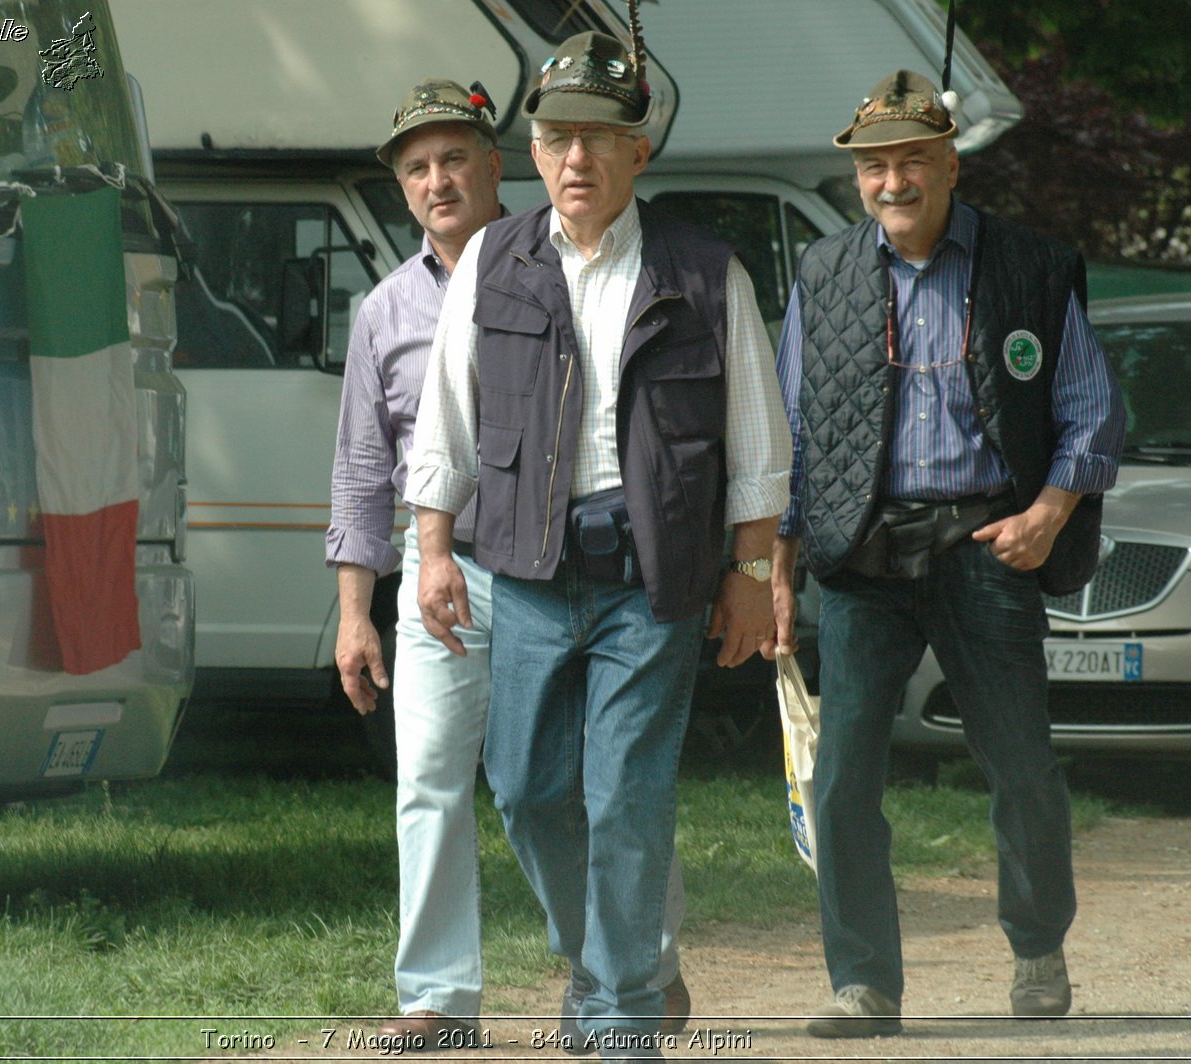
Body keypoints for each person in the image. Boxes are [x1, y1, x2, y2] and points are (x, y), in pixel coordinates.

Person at [405, 28, 790, 1062]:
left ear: (639, 153)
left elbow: (757, 444)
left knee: (624, 790)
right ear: (532, 149)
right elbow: (445, 416)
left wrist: (753, 573)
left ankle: (620, 1020)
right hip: (525, 573)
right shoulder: (494, 257)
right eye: (557, 137)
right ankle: (609, 968)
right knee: (527, 790)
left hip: (650, 577)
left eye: (599, 139)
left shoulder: (707, 272)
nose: (575, 159)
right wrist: (433, 545)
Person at [326, 77, 688, 1052]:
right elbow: (365, 466)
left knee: (604, 773)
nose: (437, 181)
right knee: (434, 777)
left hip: (570, 564)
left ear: (500, 163)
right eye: (416, 168)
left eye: (454, 159)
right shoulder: (385, 310)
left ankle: (640, 961)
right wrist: (358, 608)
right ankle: (441, 994)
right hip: (441, 574)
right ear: (400, 188)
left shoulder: (565, 257)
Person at [769, 69, 1125, 1037]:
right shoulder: (825, 273)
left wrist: (1046, 513)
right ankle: (864, 982)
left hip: (984, 544)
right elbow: (791, 430)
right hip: (861, 550)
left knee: (1020, 764)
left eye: (912, 160)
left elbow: (1092, 415)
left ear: (949, 165)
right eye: (875, 165)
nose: (893, 180)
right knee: (841, 775)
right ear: (856, 180)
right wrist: (777, 563)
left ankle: (1038, 943)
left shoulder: (1031, 266)